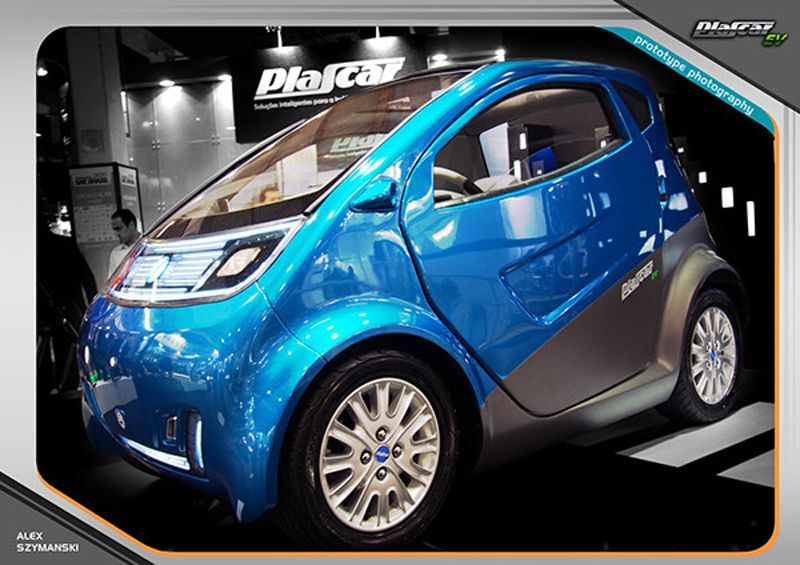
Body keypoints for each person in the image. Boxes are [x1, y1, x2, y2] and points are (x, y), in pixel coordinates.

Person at [108, 208, 140, 278]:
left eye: (119, 229)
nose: (116, 234)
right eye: (114, 230)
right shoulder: (115, 253)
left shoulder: (148, 246)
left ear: (131, 225)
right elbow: (112, 280)